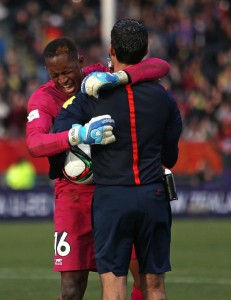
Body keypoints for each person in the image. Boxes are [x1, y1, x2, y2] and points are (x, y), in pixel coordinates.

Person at [26, 36, 170, 300]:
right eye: (54, 74)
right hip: (73, 196)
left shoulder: (99, 75)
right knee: (71, 289)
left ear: (80, 61)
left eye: (67, 71)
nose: (63, 80)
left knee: (143, 277)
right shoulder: (43, 99)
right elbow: (34, 144)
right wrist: (76, 135)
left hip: (115, 187)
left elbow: (159, 67)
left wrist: (119, 78)